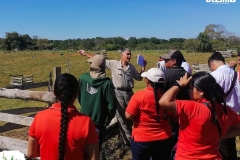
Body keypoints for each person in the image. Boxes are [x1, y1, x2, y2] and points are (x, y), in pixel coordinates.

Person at [159, 72, 240, 160]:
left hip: (187, 157)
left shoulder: (192, 108)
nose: (188, 90)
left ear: (201, 91)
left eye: (191, 88)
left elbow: (163, 102)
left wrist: (179, 84)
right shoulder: (226, 110)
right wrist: (222, 135)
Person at [78, 48, 146, 146]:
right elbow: (98, 60)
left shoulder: (131, 67)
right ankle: (128, 141)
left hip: (129, 93)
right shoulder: (113, 64)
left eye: (130, 54)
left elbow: (139, 78)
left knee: (131, 115)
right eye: (127, 54)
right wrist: (85, 54)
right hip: (118, 93)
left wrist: (143, 67)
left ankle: (132, 135)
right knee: (121, 117)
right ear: (122, 55)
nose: (129, 56)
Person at [27, 73, 99, 160]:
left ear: (54, 93)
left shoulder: (39, 117)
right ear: (76, 95)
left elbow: (31, 153)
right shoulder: (86, 122)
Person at [125, 68, 173, 160]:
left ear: (147, 81)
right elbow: (173, 117)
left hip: (142, 138)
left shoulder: (139, 96)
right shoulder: (167, 98)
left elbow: (128, 115)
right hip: (164, 137)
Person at [78, 54, 117, 151]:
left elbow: (79, 96)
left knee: (82, 150)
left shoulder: (83, 78)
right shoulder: (106, 83)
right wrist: (107, 119)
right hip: (99, 122)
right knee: (95, 151)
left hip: (83, 120)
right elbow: (112, 105)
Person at [208, 51, 240, 160]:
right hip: (233, 115)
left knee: (221, 146)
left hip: (220, 116)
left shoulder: (213, 76)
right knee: (231, 144)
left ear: (212, 64)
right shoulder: (234, 73)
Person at [160, 50, 191, 152]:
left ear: (173, 61)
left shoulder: (166, 75)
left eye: (167, 60)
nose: (164, 61)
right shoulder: (188, 75)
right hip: (186, 113)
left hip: (171, 114)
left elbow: (161, 95)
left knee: (170, 140)